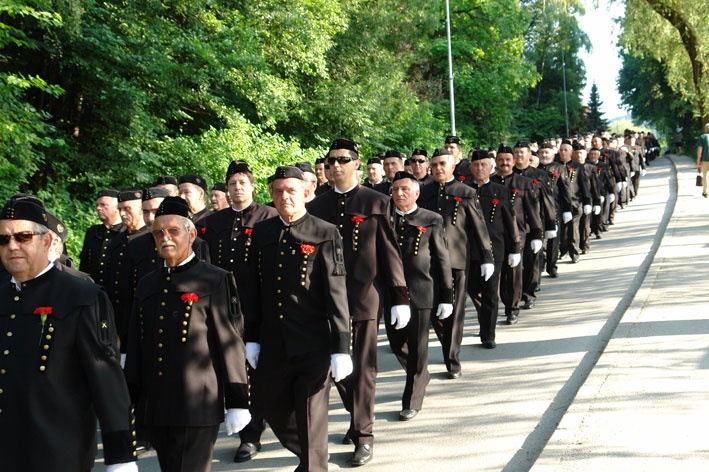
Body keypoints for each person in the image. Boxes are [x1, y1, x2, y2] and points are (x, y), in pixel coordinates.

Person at [0, 198, 137, 471]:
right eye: (3, 239)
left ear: (48, 241)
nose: (12, 245)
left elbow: (106, 379)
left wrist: (121, 456)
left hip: (56, 449)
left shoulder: (81, 296)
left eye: (23, 236)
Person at [124, 196, 251, 472]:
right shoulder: (147, 283)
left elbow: (229, 342)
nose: (165, 238)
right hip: (156, 403)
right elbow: (136, 344)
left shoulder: (214, 279)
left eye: (173, 231)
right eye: (159, 233)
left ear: (191, 234)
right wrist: (129, 399)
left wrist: (238, 401)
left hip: (197, 404)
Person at [308, 138, 410, 467]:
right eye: (331, 160)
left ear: (356, 163)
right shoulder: (316, 206)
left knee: (364, 369)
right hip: (325, 302)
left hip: (364, 297)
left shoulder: (376, 202)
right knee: (339, 370)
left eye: (343, 159)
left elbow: (390, 252)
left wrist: (399, 297)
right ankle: (357, 420)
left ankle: (364, 435)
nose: (335, 165)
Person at [243, 166, 352, 472]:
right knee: (272, 407)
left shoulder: (325, 232)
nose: (284, 197)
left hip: (312, 342)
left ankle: (314, 464)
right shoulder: (263, 232)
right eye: (277, 191)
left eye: (290, 190)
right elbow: (253, 288)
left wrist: (341, 346)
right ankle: (312, 456)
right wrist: (251, 337)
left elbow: (337, 292)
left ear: (306, 193)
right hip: (273, 341)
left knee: (310, 414)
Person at [201, 160, 278, 463]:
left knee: (254, 369)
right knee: (230, 368)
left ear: (252, 186)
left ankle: (252, 434)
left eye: (242, 183)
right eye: (232, 184)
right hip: (222, 306)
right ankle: (243, 424)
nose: (237, 189)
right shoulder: (214, 221)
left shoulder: (267, 216)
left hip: (257, 305)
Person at [418, 147, 494, 375]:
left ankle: (452, 360)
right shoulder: (424, 192)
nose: (438, 168)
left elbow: (479, 227)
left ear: (453, 166)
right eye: (435, 165)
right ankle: (447, 345)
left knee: (455, 311)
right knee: (433, 311)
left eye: (443, 164)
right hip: (427, 261)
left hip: (456, 261)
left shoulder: (467, 192)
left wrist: (487, 257)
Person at [388, 171, 453, 417]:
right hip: (393, 293)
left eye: (405, 189)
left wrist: (446, 295)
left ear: (416, 192)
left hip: (421, 291)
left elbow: (442, 259)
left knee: (417, 346)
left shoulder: (431, 219)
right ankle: (420, 373)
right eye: (395, 190)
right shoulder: (385, 219)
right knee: (396, 343)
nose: (399, 193)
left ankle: (412, 400)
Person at [467, 151, 521, 347]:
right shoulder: (464, 190)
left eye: (483, 165)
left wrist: (515, 248)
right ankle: (485, 318)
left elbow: (510, 222)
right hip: (468, 250)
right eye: (476, 165)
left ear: (491, 167)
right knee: (472, 288)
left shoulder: (501, 191)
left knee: (490, 292)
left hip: (494, 250)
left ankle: (488, 334)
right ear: (471, 167)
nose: (480, 168)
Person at [491, 145, 542, 324]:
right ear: (496, 162)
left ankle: (512, 309)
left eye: (507, 160)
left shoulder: (524, 183)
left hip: (518, 235)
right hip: (494, 236)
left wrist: (537, 234)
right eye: (501, 160)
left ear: (513, 162)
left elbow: (533, 211)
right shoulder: (490, 183)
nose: (504, 163)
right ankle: (498, 304)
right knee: (498, 274)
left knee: (514, 273)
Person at [79, 189, 125, 287]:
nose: (99, 208)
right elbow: (84, 265)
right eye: (97, 205)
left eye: (103, 205)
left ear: (117, 208)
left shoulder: (125, 232)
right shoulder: (92, 232)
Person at [696, 123, 709, 198]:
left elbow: (700, 150)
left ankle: (705, 192)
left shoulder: (702, 137)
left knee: (705, 176)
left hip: (705, 160)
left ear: (705, 129)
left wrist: (698, 160)